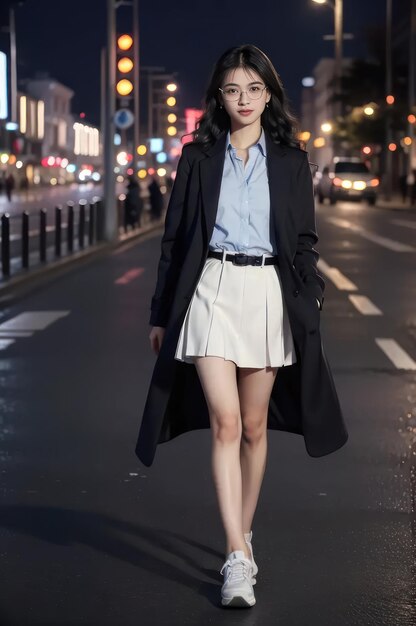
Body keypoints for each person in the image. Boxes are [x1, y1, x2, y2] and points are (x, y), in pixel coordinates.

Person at [135, 44, 348, 609]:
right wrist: (161, 312)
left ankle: (244, 535)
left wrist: (312, 296)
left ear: (269, 93)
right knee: (225, 421)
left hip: (268, 294)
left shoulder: (290, 159)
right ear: (219, 96)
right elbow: (176, 239)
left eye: (254, 88)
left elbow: (304, 241)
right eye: (233, 89)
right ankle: (235, 555)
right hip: (211, 288)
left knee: (254, 426)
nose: (244, 99)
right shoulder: (198, 156)